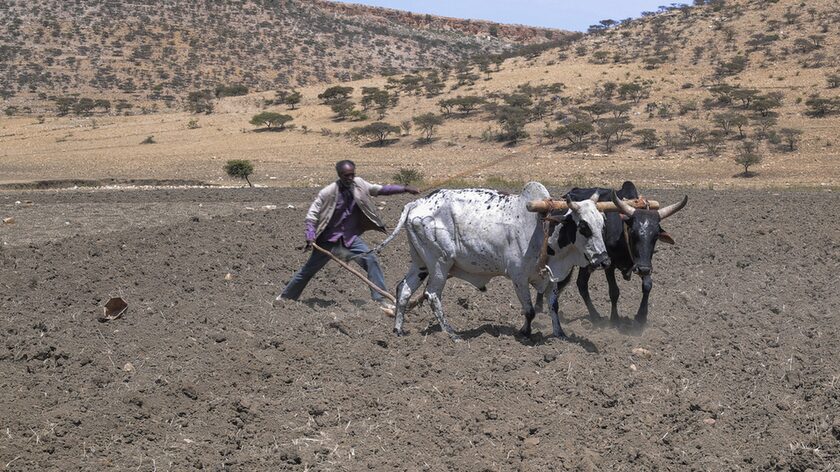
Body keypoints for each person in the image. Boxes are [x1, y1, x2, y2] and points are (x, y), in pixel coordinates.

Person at [275, 160, 419, 309]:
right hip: (328, 240)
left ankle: (380, 300)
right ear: (339, 175)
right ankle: (285, 298)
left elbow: (380, 189)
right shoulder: (328, 192)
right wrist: (310, 234)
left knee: (371, 260)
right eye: (346, 175)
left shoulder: (359, 184)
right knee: (308, 271)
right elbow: (312, 214)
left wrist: (405, 189)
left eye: (352, 174)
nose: (350, 178)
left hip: (349, 239)